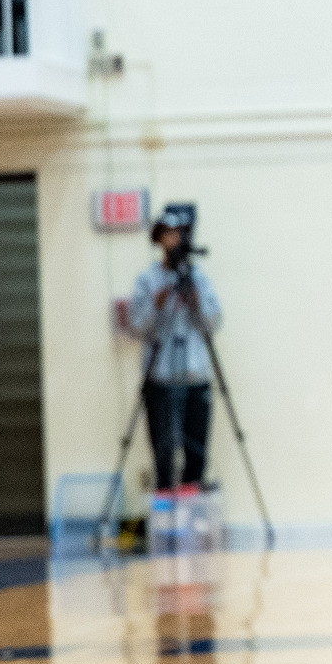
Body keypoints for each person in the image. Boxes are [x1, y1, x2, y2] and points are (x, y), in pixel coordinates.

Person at [127, 212, 222, 518]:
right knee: (164, 454)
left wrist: (195, 302)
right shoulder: (147, 280)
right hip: (161, 378)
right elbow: (138, 328)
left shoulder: (200, 279)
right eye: (167, 234)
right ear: (158, 239)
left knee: (196, 454)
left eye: (179, 233)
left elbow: (213, 323)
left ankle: (192, 519)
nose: (174, 240)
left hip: (196, 377)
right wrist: (157, 304)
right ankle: (166, 521)